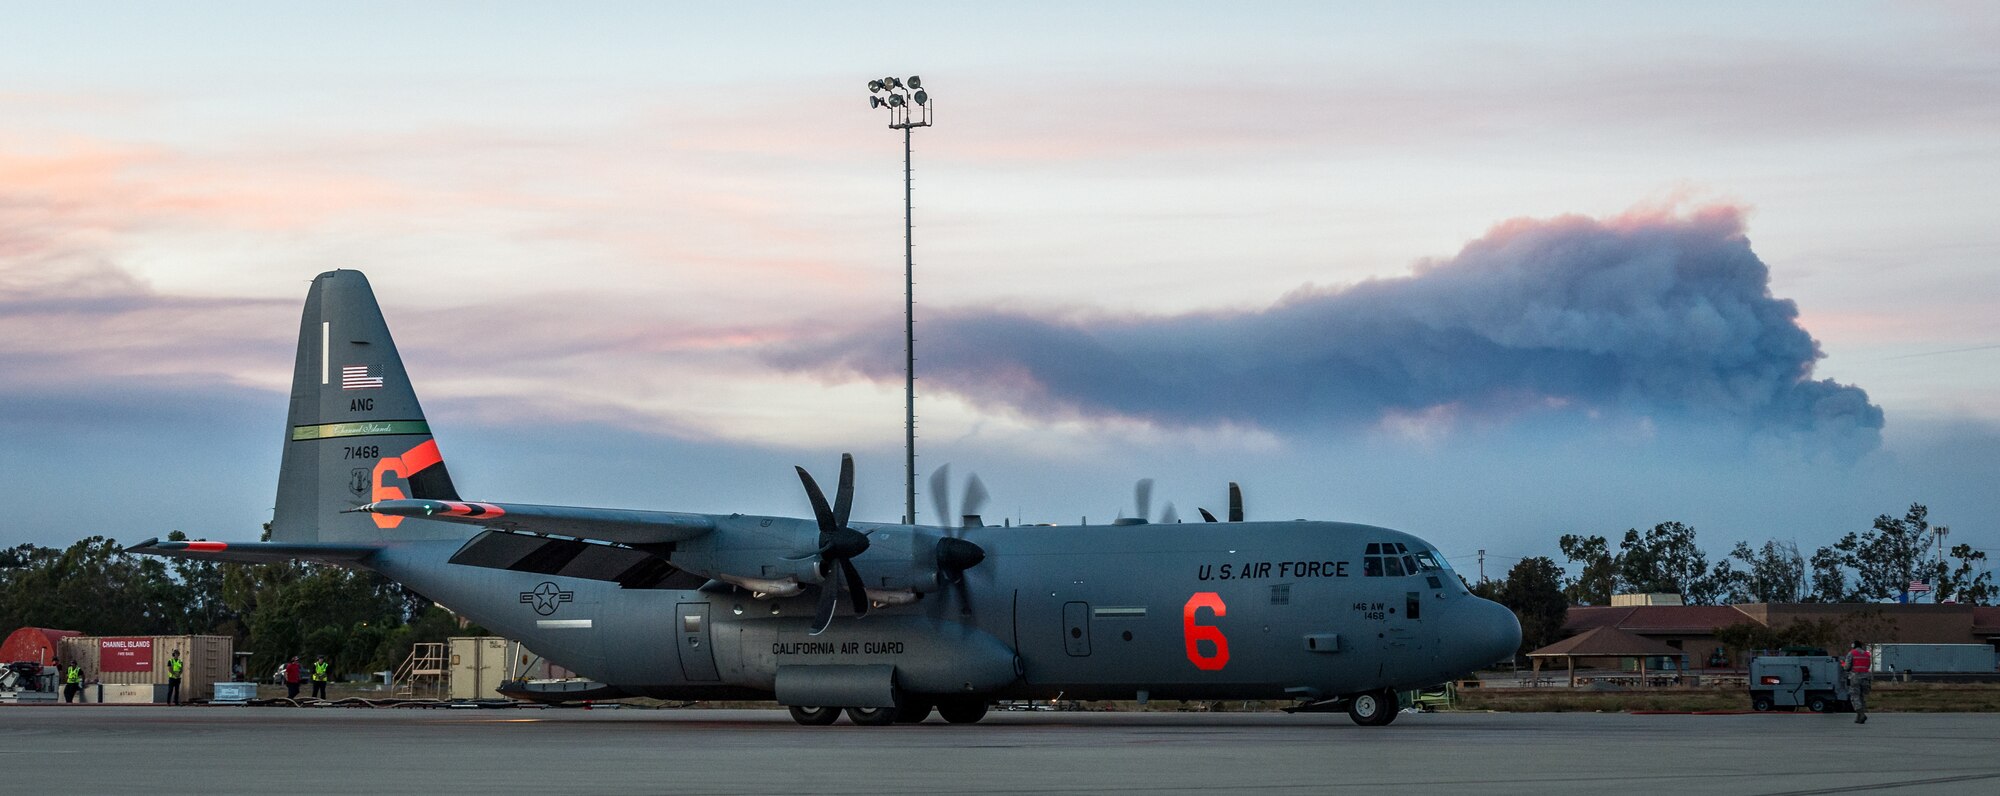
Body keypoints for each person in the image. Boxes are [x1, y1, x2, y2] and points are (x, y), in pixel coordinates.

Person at [1843, 640, 1873, 724]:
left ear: (1853, 646)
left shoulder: (1852, 653)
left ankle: (1861, 714)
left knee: (1854, 696)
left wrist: (1843, 667)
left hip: (1855, 677)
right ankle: (1859, 717)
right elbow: (1868, 665)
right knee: (1861, 697)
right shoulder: (1867, 654)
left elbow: (1847, 667)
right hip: (1866, 678)